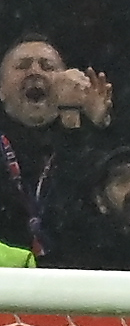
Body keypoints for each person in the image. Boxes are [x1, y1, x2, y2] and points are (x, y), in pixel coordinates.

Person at [0, 33, 113, 259]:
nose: (34, 71)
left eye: (47, 66)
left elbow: (90, 217)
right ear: (1, 89)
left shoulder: (89, 138)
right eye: (22, 66)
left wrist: (88, 123)